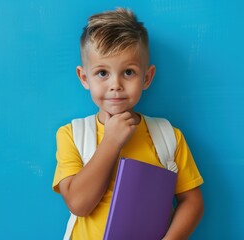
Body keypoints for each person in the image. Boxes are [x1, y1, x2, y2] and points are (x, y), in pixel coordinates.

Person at [52, 7, 204, 240]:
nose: (116, 85)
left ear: (147, 77)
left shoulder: (168, 136)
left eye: (129, 72)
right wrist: (111, 141)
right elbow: (79, 205)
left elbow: (192, 201)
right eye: (102, 73)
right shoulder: (72, 134)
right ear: (84, 78)